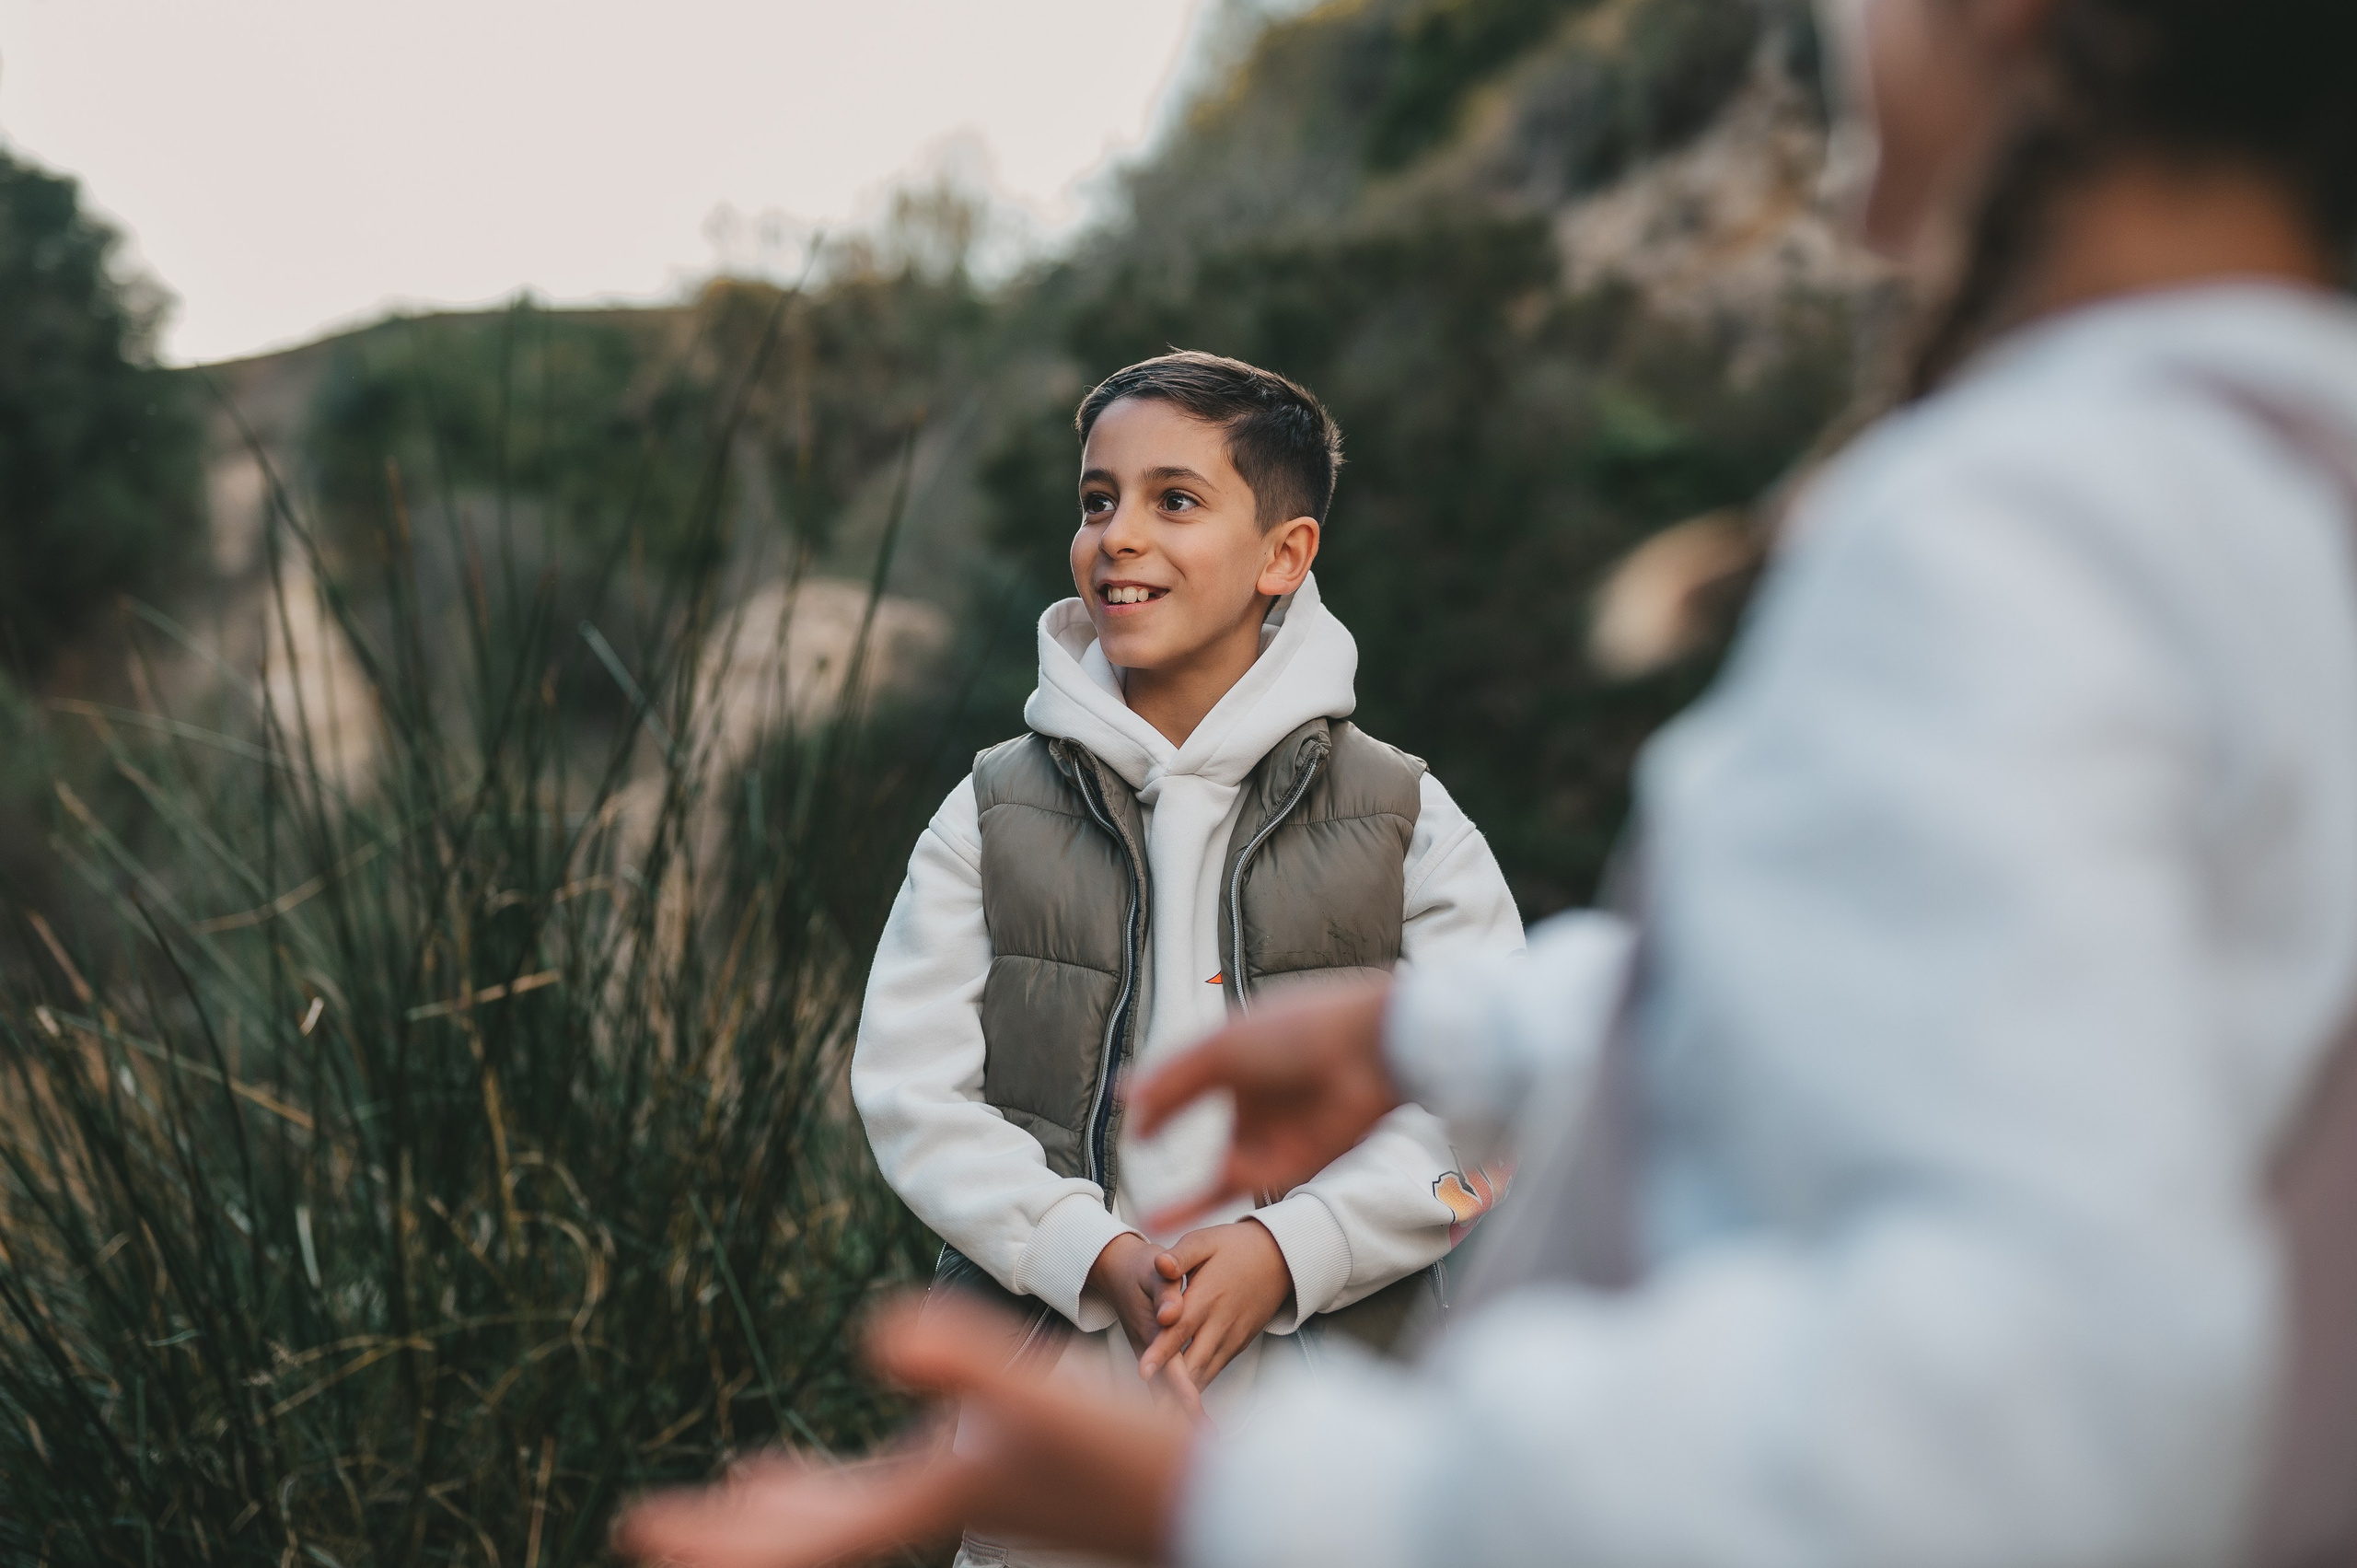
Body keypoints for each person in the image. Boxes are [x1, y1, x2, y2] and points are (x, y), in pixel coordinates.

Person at [617, 0, 2357, 1563]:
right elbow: (2033, 1010)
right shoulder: (2268, 509)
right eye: (1098, 497)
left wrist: (1261, 1475)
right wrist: (1461, 1045)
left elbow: (2040, 1414)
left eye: (1175, 499)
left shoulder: (2016, 543)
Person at [842, 351, 1526, 1557]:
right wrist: (1085, 1252)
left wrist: (1289, 1248)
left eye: (1175, 500)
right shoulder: (992, 809)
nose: (1119, 536)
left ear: (1284, 557)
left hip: (1335, 1411)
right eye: (1098, 500)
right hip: (1060, 1395)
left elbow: (1486, 1099)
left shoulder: (1407, 817)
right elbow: (910, 1086)